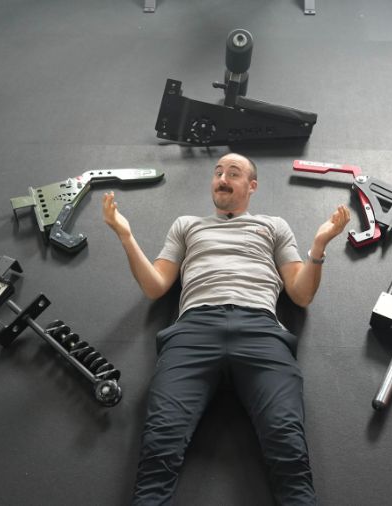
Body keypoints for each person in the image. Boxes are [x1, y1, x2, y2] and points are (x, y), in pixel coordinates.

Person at [102, 153, 350, 505]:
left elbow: (301, 294)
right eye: (218, 172)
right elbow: (156, 286)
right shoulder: (186, 225)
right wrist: (126, 236)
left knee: (288, 444)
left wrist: (319, 246)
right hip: (192, 332)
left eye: (233, 173)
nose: (222, 178)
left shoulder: (274, 226)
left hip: (261, 332)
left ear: (251, 186)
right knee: (160, 443)